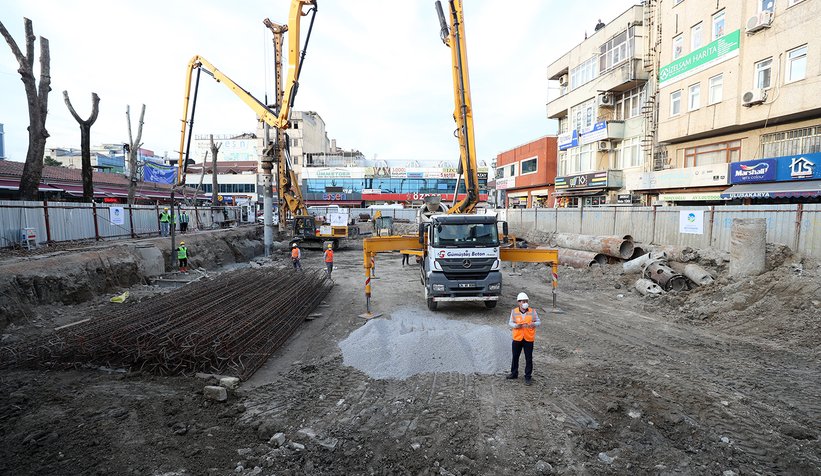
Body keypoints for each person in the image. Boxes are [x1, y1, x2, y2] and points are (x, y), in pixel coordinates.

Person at [506, 292, 540, 385]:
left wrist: (534, 323)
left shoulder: (533, 311)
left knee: (528, 358)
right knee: (515, 357)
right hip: (517, 338)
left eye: (526, 301)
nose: (525, 303)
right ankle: (514, 373)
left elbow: (538, 322)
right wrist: (515, 325)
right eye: (523, 301)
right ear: (519, 302)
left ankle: (528, 377)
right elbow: (510, 322)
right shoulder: (514, 311)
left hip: (528, 338)